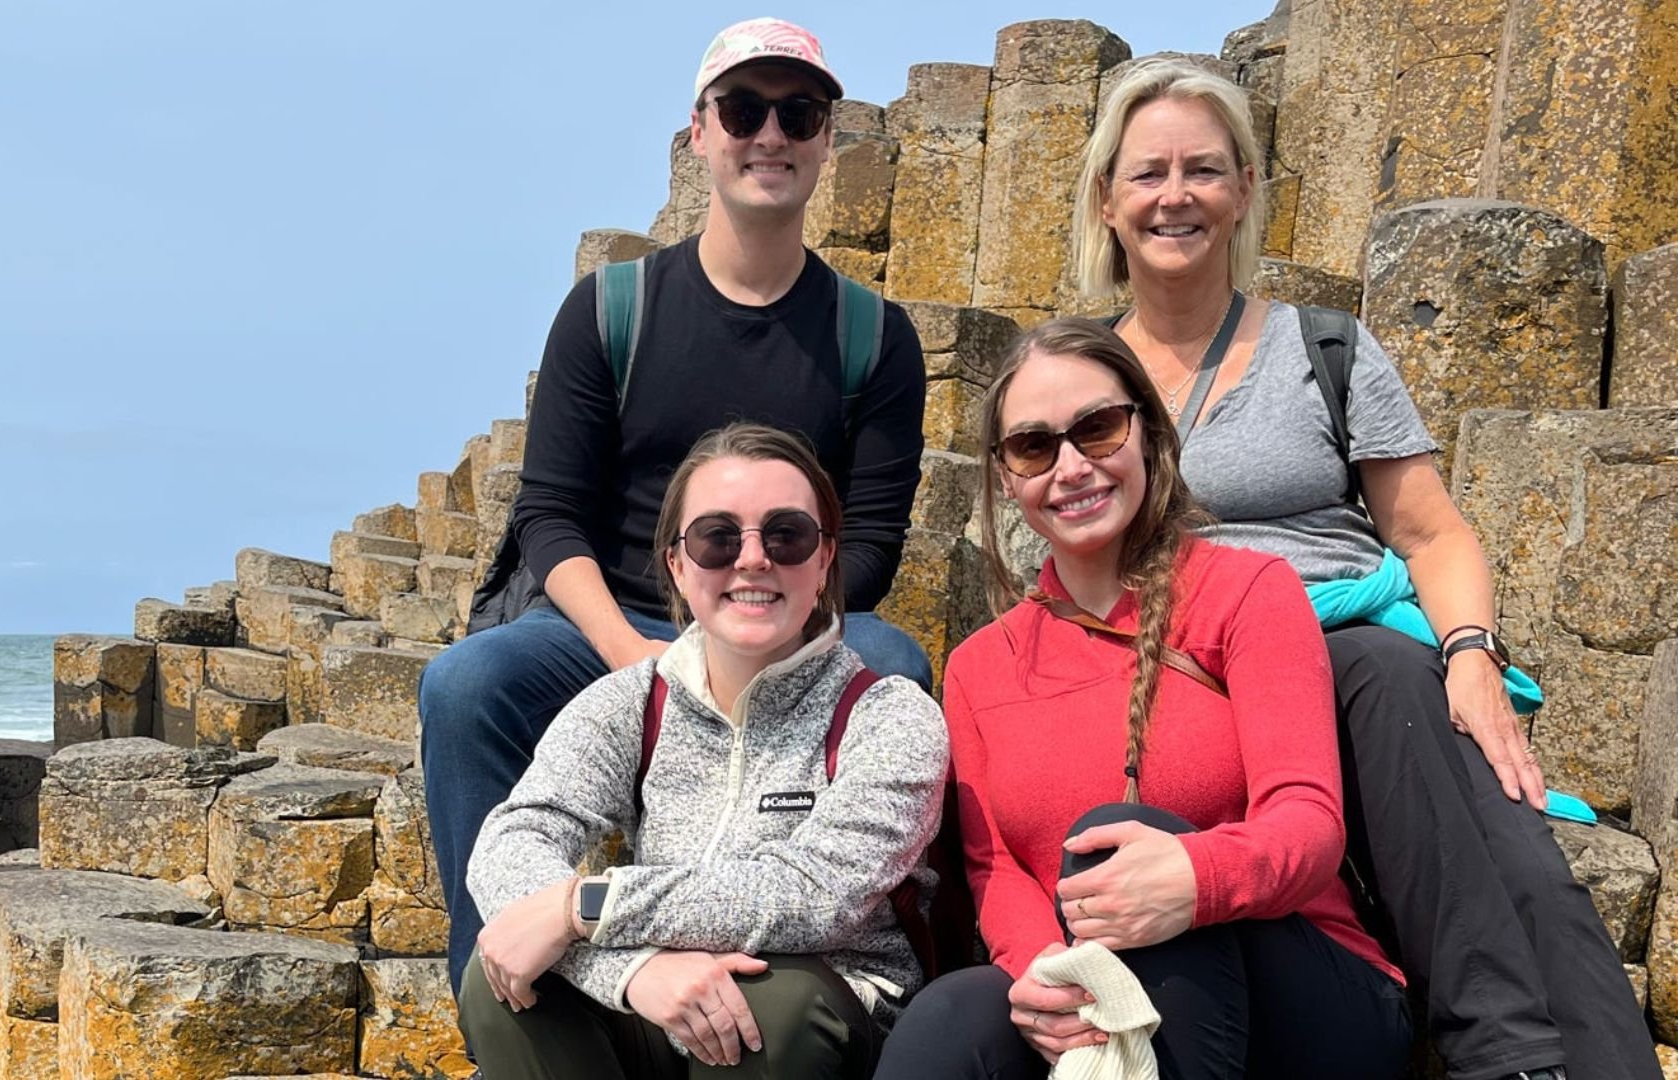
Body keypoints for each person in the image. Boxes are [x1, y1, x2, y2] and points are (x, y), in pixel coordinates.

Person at [1066, 57, 1658, 1080]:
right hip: (1203, 654)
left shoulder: (1324, 347)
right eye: (1148, 172)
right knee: (1378, 674)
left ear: (1247, 188)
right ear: (1106, 197)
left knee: (1515, 836)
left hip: (1351, 636)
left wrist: (1472, 654)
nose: (1176, 196)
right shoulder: (1078, 380)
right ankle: (1504, 1048)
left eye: (1204, 169)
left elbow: (1431, 534)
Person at [420, 16, 934, 1002]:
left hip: (785, 619)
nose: (770, 136)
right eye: (744, 110)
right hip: (618, 619)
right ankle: (503, 1003)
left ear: (830, 139)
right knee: (465, 688)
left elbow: (869, 543)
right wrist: (640, 658)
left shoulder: (875, 338)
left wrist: (759, 638)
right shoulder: (612, 310)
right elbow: (552, 519)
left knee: (900, 667)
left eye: (799, 113)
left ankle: (832, 982)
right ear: (698, 133)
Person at [876, 318, 1410, 1079]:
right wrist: (1045, 973)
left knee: (1128, 845)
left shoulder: (1249, 592)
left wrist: (1192, 879)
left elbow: (1308, 822)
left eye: (1096, 429)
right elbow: (994, 870)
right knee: (951, 1018)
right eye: (1034, 446)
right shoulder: (976, 667)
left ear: (1147, 433)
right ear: (1004, 476)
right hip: (1104, 982)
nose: (1071, 467)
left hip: (1308, 995)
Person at [458, 422, 948, 1079]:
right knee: (503, 981)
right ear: (679, 565)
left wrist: (584, 907)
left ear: (826, 558)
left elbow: (811, 896)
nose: (753, 559)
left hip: (815, 1024)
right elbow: (512, 839)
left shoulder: (888, 716)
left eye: (787, 534)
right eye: (717, 538)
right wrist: (633, 970)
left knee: (773, 1007)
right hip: (662, 1006)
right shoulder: (631, 703)